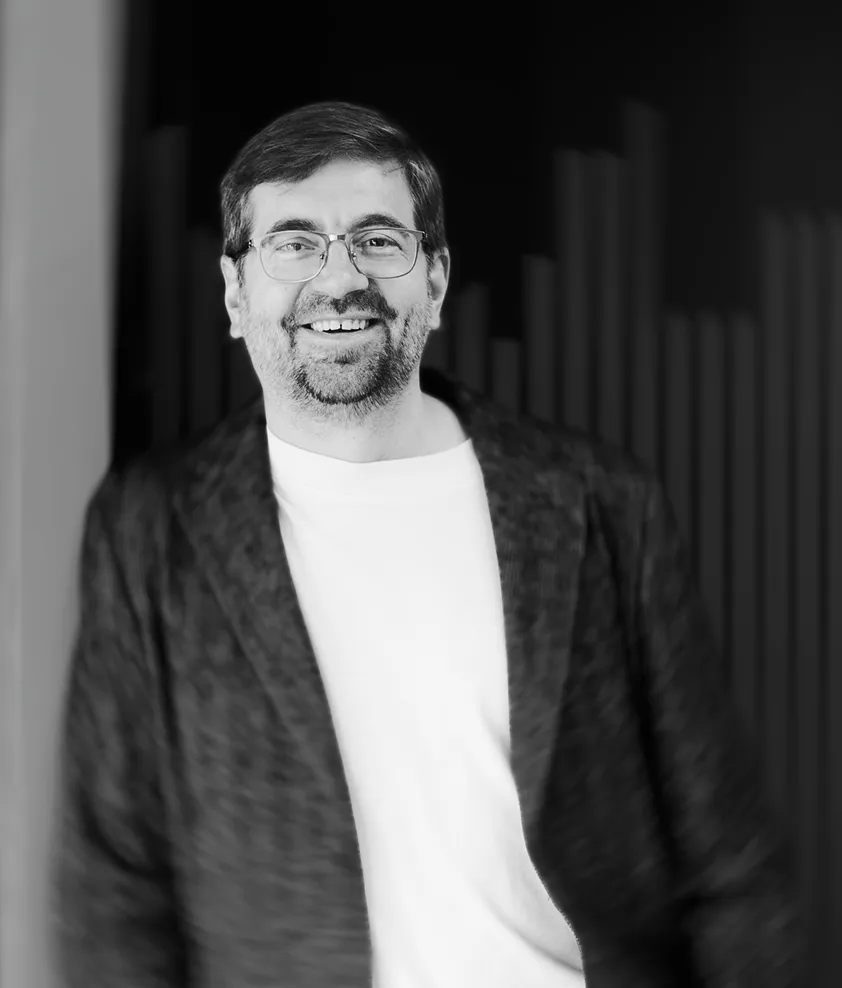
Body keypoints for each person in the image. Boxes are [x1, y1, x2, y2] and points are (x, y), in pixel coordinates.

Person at [51, 100, 804, 987]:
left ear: (436, 281)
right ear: (234, 292)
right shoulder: (147, 529)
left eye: (379, 240)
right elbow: (113, 889)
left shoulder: (601, 500)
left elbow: (729, 859)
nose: (339, 280)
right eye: (295, 244)